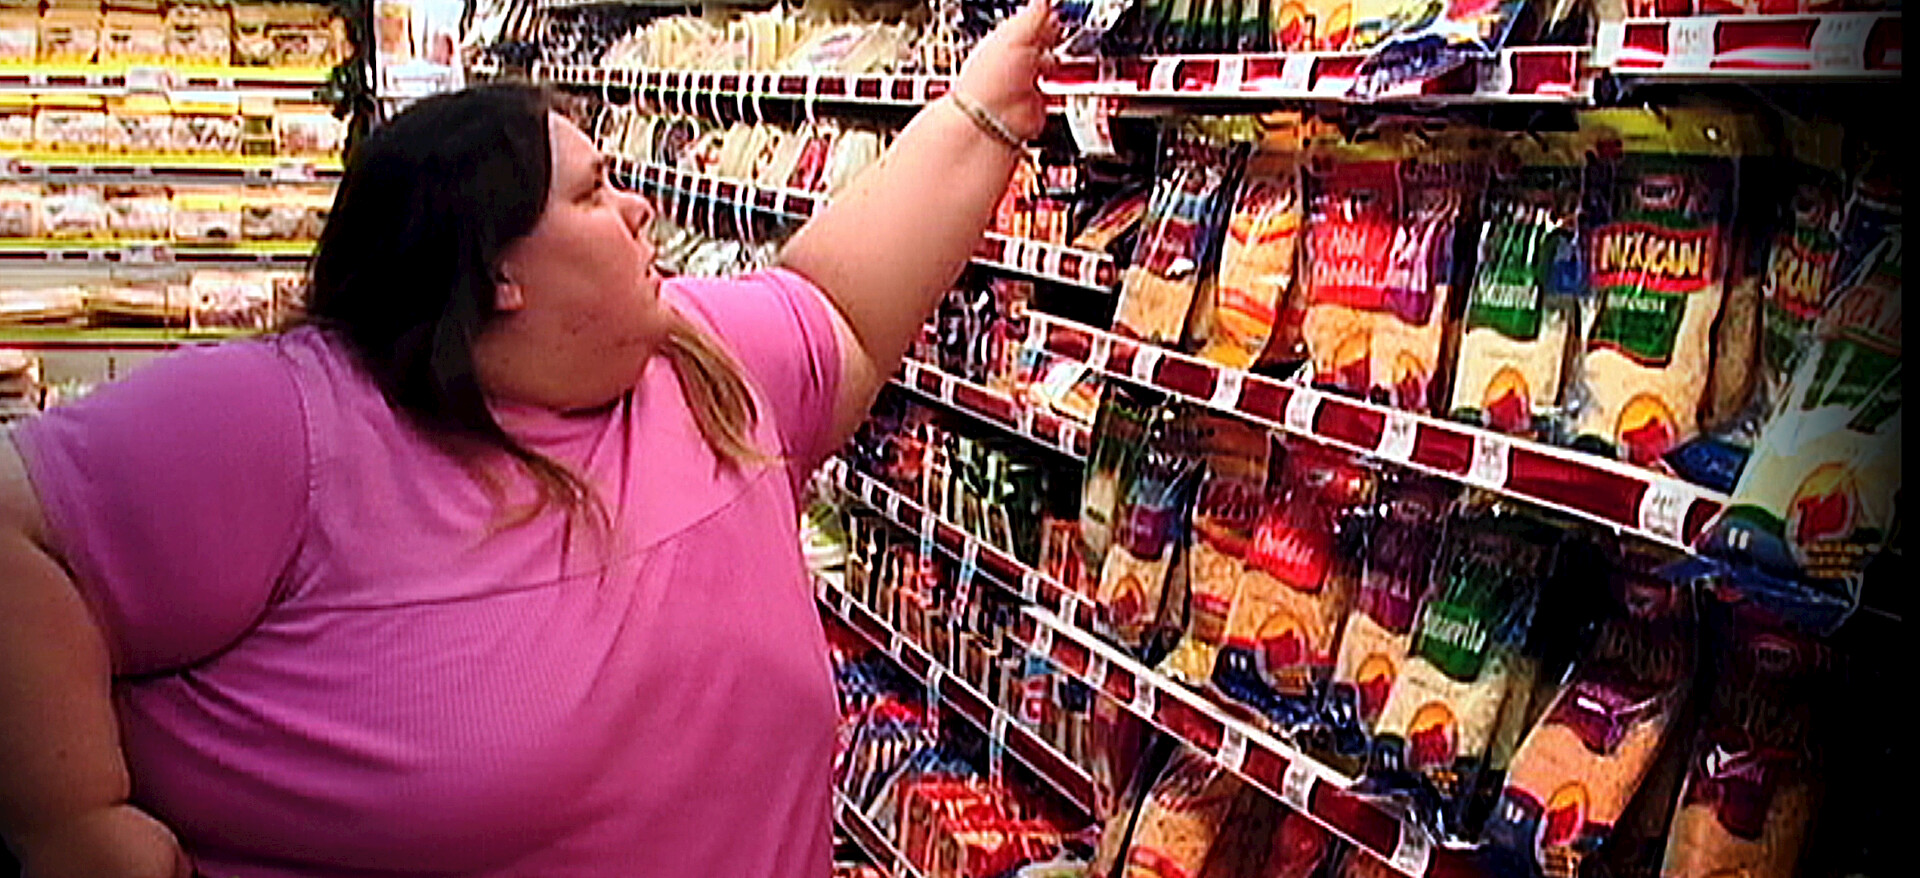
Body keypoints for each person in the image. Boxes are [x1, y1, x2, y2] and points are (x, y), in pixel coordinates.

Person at [0, 2, 1061, 875]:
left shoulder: (696, 361)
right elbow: (16, 529)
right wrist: (74, 818)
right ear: (497, 270)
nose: (639, 210)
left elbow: (842, 310)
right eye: (594, 191)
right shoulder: (294, 421)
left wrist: (989, 103)